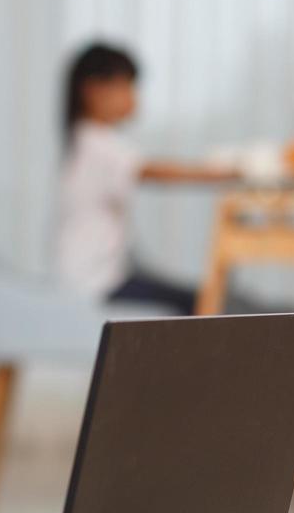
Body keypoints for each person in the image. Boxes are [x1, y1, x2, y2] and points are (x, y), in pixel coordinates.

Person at [53, 42, 232, 316]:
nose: (133, 98)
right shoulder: (97, 145)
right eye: (125, 87)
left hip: (99, 278)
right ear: (92, 90)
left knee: (200, 298)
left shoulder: (88, 141)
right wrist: (222, 172)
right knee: (201, 304)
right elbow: (155, 173)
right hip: (98, 285)